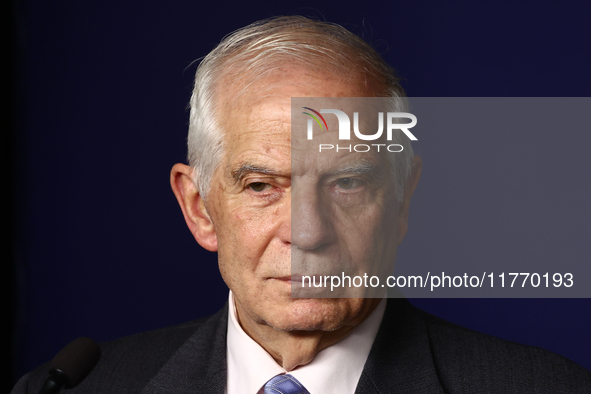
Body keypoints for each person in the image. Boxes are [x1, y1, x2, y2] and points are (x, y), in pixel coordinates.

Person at [12, 16, 591, 394]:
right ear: (199, 207)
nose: (307, 233)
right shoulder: (74, 388)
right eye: (262, 186)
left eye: (346, 184)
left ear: (401, 203)